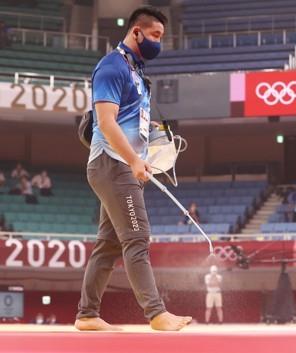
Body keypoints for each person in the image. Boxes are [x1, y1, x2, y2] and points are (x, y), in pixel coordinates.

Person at [74, 6, 191, 332]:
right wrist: (135, 160)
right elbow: (106, 122)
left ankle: (87, 315)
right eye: (155, 35)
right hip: (114, 164)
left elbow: (126, 119)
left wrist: (148, 132)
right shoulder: (112, 67)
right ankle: (156, 314)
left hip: (120, 165)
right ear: (136, 32)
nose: (158, 43)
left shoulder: (137, 73)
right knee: (137, 237)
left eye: (161, 38)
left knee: (109, 244)